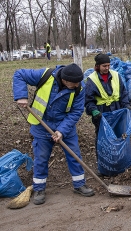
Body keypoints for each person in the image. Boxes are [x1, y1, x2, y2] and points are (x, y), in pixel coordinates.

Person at [13, 63, 94, 205]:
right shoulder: (45, 75)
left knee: (74, 155)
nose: (76, 86)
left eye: (77, 83)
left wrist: (61, 130)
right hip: (41, 124)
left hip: (65, 126)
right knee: (41, 158)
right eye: (73, 83)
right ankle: (39, 188)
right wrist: (21, 96)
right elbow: (19, 74)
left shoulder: (79, 88)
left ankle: (80, 184)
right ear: (64, 80)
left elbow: (76, 112)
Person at [85, 53, 131, 172]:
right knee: (103, 140)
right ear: (97, 66)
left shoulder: (116, 76)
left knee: (119, 136)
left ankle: (118, 163)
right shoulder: (92, 80)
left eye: (108, 65)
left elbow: (123, 93)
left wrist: (126, 106)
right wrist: (94, 111)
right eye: (104, 66)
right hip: (102, 114)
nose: (107, 68)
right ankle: (105, 165)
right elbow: (88, 101)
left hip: (117, 111)